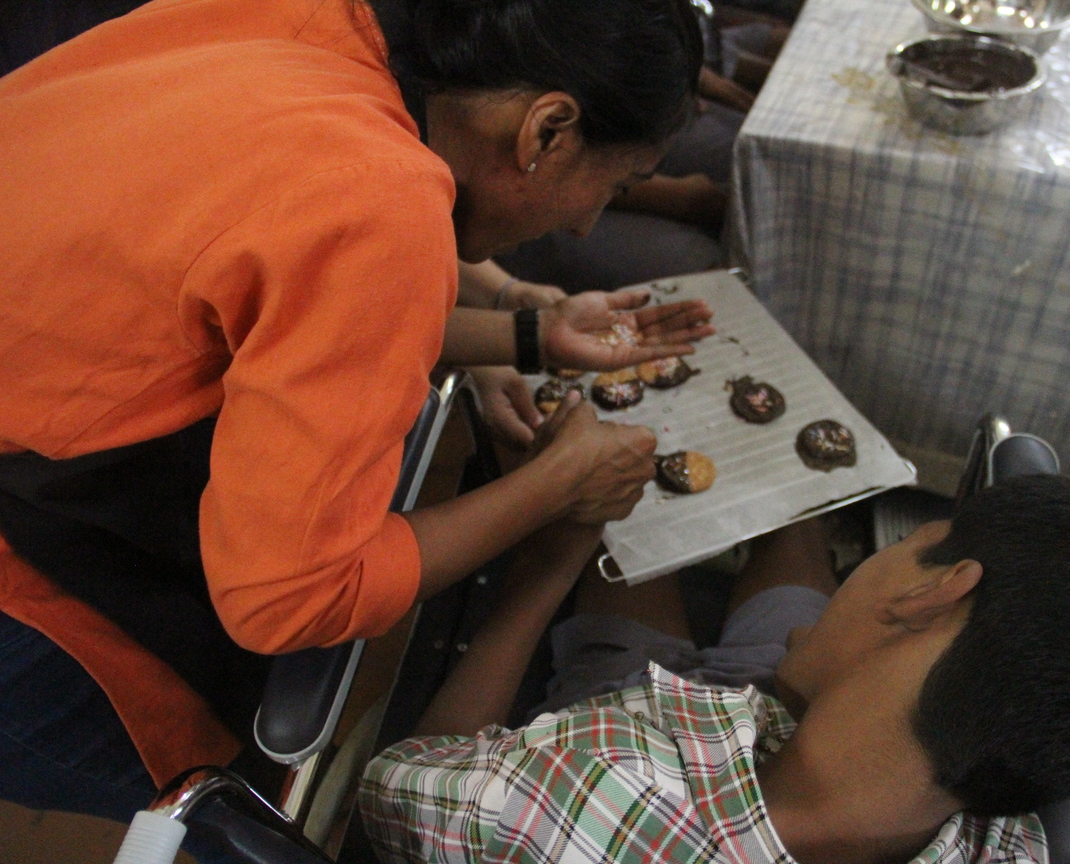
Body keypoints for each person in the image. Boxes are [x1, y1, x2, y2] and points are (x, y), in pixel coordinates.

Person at [0, 0, 716, 834]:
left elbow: (268, 280)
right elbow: (288, 600)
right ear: (547, 130)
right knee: (250, 811)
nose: (588, 223)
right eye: (614, 186)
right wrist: (556, 487)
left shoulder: (322, 23)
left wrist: (528, 331)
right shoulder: (378, 199)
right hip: (29, 575)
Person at [361, 474, 1070, 864]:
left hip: (634, 759)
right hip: (774, 747)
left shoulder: (585, 785)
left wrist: (553, 560)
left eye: (907, 546)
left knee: (624, 579)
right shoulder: (1017, 848)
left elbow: (397, 781)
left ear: (937, 592)